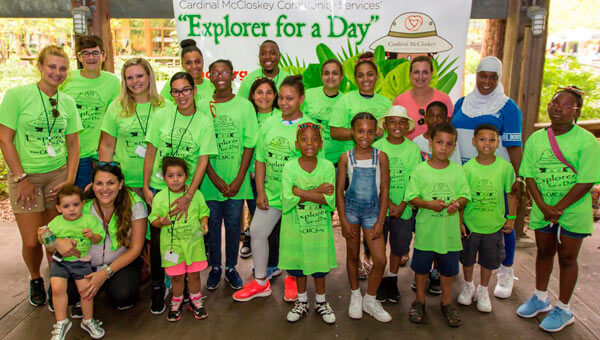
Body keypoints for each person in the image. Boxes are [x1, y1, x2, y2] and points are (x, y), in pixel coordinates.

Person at [0, 45, 82, 307]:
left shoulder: (67, 102)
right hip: (27, 177)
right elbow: (4, 139)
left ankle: (55, 282)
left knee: (53, 238)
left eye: (62, 68)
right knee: (33, 240)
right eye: (52, 67)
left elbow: (73, 144)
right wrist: (21, 178)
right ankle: (35, 276)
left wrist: (69, 180)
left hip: (57, 175)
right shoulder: (17, 96)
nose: (57, 73)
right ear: (40, 67)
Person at [516, 86, 600, 332]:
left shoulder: (586, 141)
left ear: (576, 111)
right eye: (554, 104)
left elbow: (586, 180)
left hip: (572, 211)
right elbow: (528, 174)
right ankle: (540, 297)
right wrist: (542, 206)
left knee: (567, 257)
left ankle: (563, 309)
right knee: (544, 251)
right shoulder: (536, 138)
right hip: (544, 209)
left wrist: (559, 208)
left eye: (565, 106)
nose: (557, 109)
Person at [232, 75, 313, 303]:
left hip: (297, 197)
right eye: (282, 98)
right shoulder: (269, 123)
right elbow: (260, 160)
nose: (285, 103)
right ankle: (260, 282)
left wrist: (304, 195)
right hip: (272, 194)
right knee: (257, 232)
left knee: (293, 240)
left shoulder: (310, 127)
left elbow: (315, 166)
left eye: (291, 98)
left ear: (301, 99)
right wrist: (260, 191)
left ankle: (292, 279)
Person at [143, 71, 217, 314]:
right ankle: (162, 286)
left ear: (194, 91)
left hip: (188, 190)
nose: (181, 95)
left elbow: (203, 161)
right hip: (160, 187)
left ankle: (192, 290)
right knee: (159, 238)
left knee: (189, 237)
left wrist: (188, 196)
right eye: (176, 91)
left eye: (186, 89)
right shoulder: (162, 115)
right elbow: (151, 152)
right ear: (171, 93)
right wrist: (146, 186)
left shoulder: (204, 122)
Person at [452, 56, 523, 299]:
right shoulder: (461, 103)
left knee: (502, 223)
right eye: (483, 75)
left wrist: (519, 177)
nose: (487, 81)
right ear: (476, 75)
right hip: (466, 174)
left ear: (499, 78)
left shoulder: (508, 107)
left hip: (496, 176)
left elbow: (514, 146)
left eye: (493, 77)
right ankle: (468, 279)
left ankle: (505, 271)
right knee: (470, 225)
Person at [405, 123, 470, 327]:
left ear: (454, 147)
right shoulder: (420, 170)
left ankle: (446, 303)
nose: (444, 147)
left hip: (449, 234)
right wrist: (428, 205)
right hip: (426, 232)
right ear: (430, 142)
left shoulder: (458, 171)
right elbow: (411, 197)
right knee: (422, 269)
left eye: (449, 144)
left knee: (448, 270)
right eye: (439, 142)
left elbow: (465, 196)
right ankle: (420, 300)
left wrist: (457, 205)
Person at [200, 60, 258, 291]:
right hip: (209, 179)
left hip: (237, 180)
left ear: (233, 74)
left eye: (225, 71)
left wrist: (238, 179)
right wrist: (214, 178)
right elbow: (200, 146)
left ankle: (232, 268)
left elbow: (249, 144)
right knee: (213, 224)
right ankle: (215, 267)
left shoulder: (245, 106)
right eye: (215, 72)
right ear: (210, 76)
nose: (220, 75)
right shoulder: (203, 106)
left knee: (234, 224)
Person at [336, 112, 391, 322]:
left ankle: (370, 298)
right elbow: (340, 190)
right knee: (352, 256)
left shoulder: (381, 157)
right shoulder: (345, 158)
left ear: (376, 133)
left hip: (372, 212)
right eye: (360, 131)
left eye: (370, 132)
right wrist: (342, 219)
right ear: (353, 132)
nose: (365, 136)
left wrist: (380, 221)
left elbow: (384, 191)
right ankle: (355, 295)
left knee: (379, 259)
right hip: (350, 211)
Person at [279, 123, 337, 324]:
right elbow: (287, 198)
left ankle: (321, 302)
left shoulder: (328, 166)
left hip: (319, 228)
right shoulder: (289, 167)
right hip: (295, 228)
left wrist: (300, 192)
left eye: (314, 139)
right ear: (297, 144)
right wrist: (317, 191)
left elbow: (329, 200)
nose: (309, 143)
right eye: (304, 139)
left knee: (319, 266)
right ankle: (302, 301)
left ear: (320, 144)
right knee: (299, 265)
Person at [457, 124, 517, 313]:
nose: (487, 143)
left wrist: (511, 217)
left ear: (497, 142)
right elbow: (462, 197)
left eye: (492, 139)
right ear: (474, 142)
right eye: (482, 139)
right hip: (471, 224)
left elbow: (511, 194)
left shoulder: (505, 168)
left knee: (488, 260)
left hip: (493, 225)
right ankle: (468, 285)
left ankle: (483, 290)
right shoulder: (467, 169)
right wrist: (459, 221)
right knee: (467, 258)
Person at [40, 185, 105, 340]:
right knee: (57, 289)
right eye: (66, 206)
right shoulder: (56, 222)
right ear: (58, 208)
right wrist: (45, 236)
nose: (72, 209)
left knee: (86, 291)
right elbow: (47, 241)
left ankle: (88, 320)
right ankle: (62, 322)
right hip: (60, 261)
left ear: (82, 204)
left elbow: (99, 237)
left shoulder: (89, 220)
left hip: (81, 262)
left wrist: (92, 236)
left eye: (75, 205)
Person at [150, 157, 210, 322]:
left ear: (187, 176)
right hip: (173, 247)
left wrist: (204, 223)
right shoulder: (160, 198)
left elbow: (204, 212)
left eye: (179, 175)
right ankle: (176, 301)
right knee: (176, 277)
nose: (175, 179)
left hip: (194, 245)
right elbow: (152, 219)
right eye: (170, 176)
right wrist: (160, 222)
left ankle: (195, 299)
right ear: (164, 177)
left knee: (195, 275)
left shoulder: (196, 194)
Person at [99, 57, 168, 198]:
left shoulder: (166, 106)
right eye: (129, 78)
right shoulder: (116, 107)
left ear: (149, 76)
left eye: (140, 76)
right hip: (127, 182)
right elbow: (107, 146)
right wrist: (106, 179)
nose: (135, 81)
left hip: (160, 182)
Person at [372, 106, 421, 304]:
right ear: (385, 125)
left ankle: (391, 280)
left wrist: (401, 204)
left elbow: (415, 180)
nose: (397, 126)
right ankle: (379, 280)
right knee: (379, 245)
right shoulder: (377, 147)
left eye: (401, 122)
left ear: (407, 126)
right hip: (380, 209)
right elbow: (374, 179)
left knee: (399, 247)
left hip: (404, 209)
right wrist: (389, 203)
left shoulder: (412, 149)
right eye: (392, 122)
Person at [60, 35, 120, 189]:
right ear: (79, 57)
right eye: (85, 53)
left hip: (89, 154)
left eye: (95, 53)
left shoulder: (113, 82)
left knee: (86, 199)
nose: (91, 57)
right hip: (62, 152)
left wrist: (101, 155)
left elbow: (113, 119)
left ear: (104, 55)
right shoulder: (67, 79)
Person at [241, 77, 282, 260]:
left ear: (275, 96)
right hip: (252, 177)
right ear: (252, 95)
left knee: (275, 227)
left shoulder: (281, 117)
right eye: (259, 92)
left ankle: (273, 264)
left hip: (276, 179)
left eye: (269, 92)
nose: (264, 97)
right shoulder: (247, 116)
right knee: (258, 223)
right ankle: (262, 264)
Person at [330, 52, 392, 152]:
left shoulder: (387, 102)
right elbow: (334, 132)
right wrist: (366, 132)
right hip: (353, 159)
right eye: (360, 76)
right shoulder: (346, 100)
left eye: (370, 74)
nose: (365, 79)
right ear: (355, 79)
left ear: (377, 76)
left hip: (381, 158)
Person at [392, 55, 454, 140]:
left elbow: (449, 130)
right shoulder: (399, 101)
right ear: (410, 74)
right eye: (416, 72)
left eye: (425, 72)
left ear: (431, 74)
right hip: (408, 152)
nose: (420, 77)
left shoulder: (444, 99)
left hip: (436, 152)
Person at [302, 59, 346, 165]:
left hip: (336, 162)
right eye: (326, 73)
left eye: (335, 73)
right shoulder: (308, 95)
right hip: (309, 161)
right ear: (321, 76)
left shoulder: (346, 101)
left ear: (341, 77)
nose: (330, 77)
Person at [161, 39, 214, 103]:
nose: (194, 66)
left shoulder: (213, 86)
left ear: (203, 62)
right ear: (182, 65)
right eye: (188, 63)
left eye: (197, 62)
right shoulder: (172, 85)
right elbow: (160, 108)